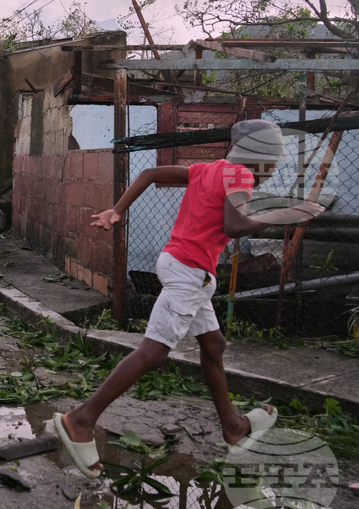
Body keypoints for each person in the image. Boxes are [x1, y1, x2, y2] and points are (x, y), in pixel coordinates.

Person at [54, 119, 325, 478]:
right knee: (153, 352)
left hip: (182, 265)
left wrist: (118, 209)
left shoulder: (209, 169)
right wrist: (291, 213)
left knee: (213, 345)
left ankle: (233, 425)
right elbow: (235, 226)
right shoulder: (241, 175)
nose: (273, 169)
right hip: (189, 273)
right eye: (272, 160)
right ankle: (81, 419)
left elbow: (150, 173)